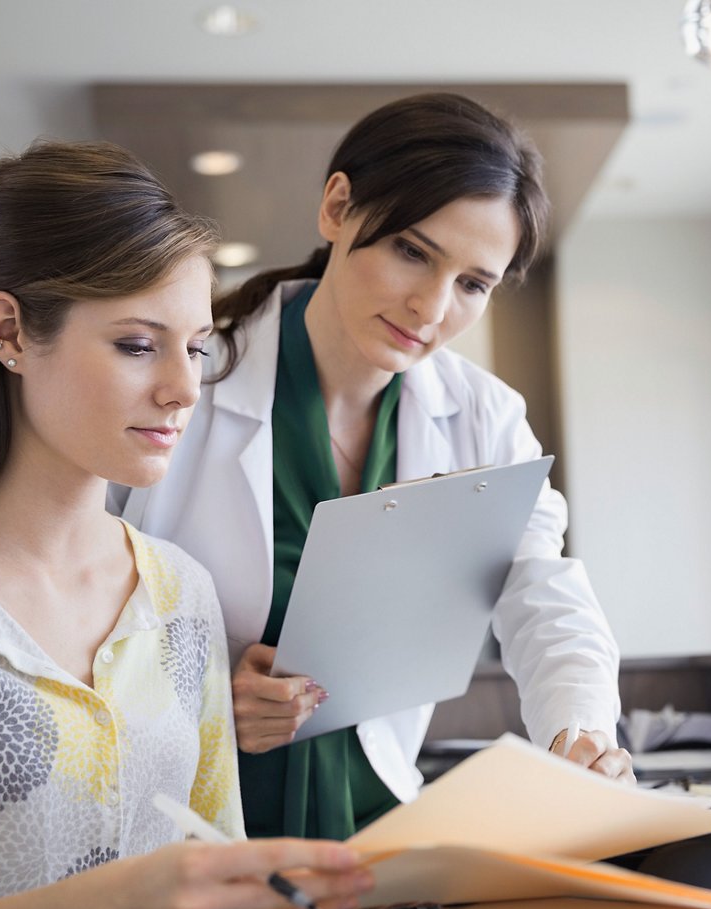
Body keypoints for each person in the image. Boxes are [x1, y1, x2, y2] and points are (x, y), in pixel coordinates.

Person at [0, 141, 396, 909]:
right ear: (9, 330)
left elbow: (216, 871)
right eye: (137, 344)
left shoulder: (179, 592)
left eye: (196, 346)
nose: (183, 386)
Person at [114, 93, 632, 846]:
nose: (430, 306)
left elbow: (543, 594)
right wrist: (208, 700)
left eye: (472, 284)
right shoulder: (189, 380)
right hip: (191, 834)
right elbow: (73, 609)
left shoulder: (483, 419)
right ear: (337, 207)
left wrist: (580, 737)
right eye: (412, 252)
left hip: (378, 828)